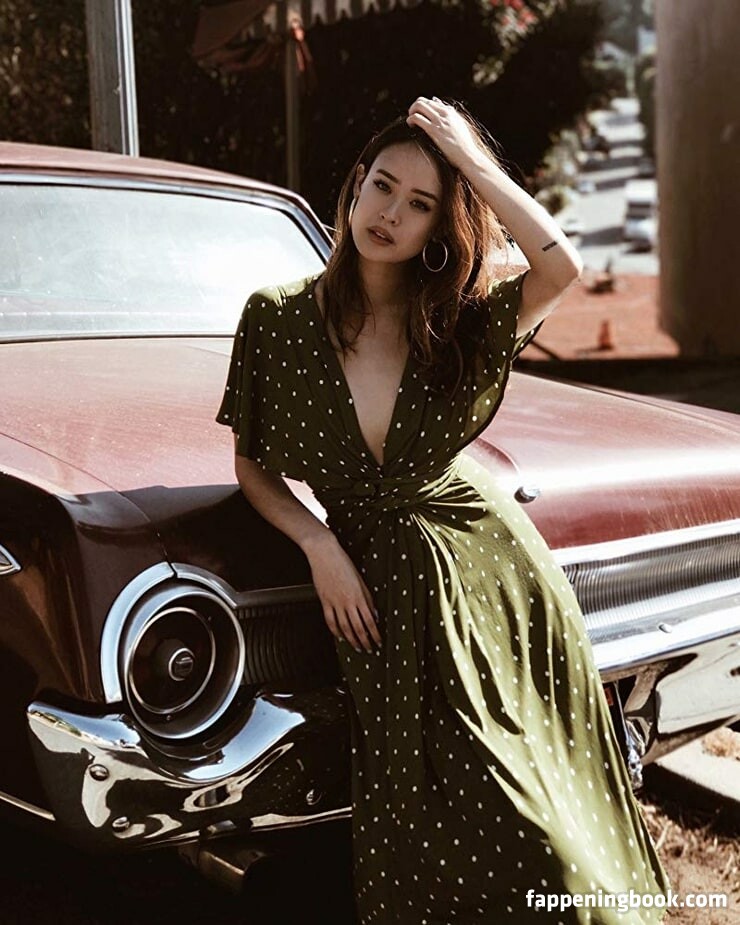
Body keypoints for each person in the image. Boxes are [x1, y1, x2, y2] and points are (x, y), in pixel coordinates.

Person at [216, 97, 671, 923]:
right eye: (383, 186)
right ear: (356, 184)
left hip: (491, 576)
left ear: (438, 226)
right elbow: (252, 464)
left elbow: (561, 267)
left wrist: (473, 162)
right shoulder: (277, 318)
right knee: (426, 811)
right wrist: (320, 545)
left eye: (420, 203)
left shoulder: (453, 323)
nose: (391, 213)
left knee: (537, 815)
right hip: (378, 592)